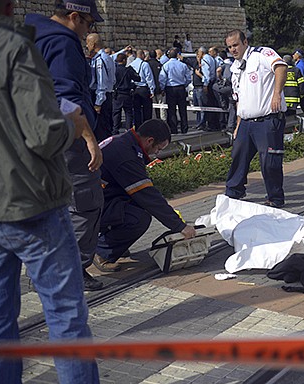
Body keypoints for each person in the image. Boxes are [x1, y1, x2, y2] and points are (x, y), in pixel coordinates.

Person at [0, 1, 137, 384]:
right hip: (30, 204)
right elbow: (43, 133)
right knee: (65, 315)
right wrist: (74, 125)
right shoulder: (13, 46)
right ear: (9, 5)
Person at [25, 0, 108, 291]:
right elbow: (66, 97)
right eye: (89, 24)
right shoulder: (62, 42)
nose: (89, 31)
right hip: (66, 138)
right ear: (74, 17)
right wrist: (89, 138)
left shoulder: (30, 34)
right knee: (85, 205)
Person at [95, 119, 196, 270]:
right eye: (159, 148)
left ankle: (113, 242)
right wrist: (179, 226)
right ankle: (101, 250)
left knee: (136, 204)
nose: (157, 153)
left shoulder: (123, 142)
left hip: (98, 195)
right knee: (139, 219)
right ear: (150, 141)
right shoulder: (126, 156)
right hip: (92, 204)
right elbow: (148, 196)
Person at [224, 29, 287, 208]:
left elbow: (281, 67)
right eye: (229, 47)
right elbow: (239, 98)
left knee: (269, 162)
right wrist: (238, 125)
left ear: (245, 42)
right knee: (238, 156)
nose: (233, 49)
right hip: (245, 121)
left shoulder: (262, 54)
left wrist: (276, 94)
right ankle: (233, 192)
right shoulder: (235, 66)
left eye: (236, 45)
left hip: (267, 120)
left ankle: (275, 198)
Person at [86, 33, 116, 141]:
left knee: (100, 130)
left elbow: (101, 82)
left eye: (88, 43)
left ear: (93, 44)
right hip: (107, 95)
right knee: (106, 127)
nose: (87, 46)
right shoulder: (107, 58)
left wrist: (98, 103)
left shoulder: (100, 60)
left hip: (101, 97)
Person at [159, 48, 191, 135]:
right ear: (177, 55)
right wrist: (184, 85)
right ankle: (184, 128)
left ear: (169, 56)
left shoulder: (166, 65)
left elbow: (162, 79)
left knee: (171, 110)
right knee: (183, 109)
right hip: (180, 88)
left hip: (170, 89)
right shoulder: (183, 65)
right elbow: (188, 78)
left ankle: (174, 129)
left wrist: (162, 88)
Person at [112, 53, 140, 135]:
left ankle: (115, 130)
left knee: (116, 113)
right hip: (127, 93)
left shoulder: (115, 70)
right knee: (128, 113)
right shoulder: (128, 70)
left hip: (117, 94)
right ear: (124, 60)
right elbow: (138, 78)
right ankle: (128, 130)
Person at [129, 49, 156, 127]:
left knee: (137, 109)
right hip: (144, 89)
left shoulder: (131, 64)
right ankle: (146, 126)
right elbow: (149, 78)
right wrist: (152, 90)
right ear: (141, 55)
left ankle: (138, 126)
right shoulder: (145, 64)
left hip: (135, 89)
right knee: (147, 109)